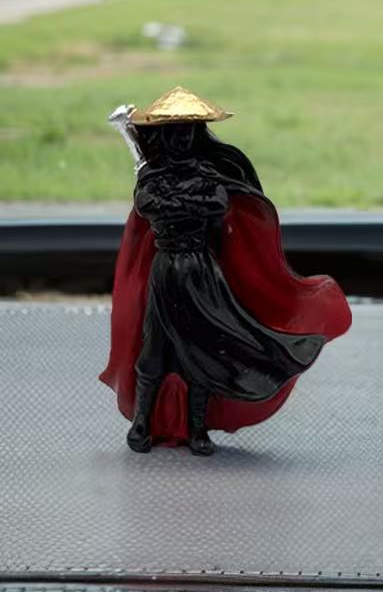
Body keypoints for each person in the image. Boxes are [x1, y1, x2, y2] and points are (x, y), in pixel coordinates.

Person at [100, 87, 351, 455]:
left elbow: (215, 204)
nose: (181, 139)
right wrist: (184, 198)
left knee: (203, 353)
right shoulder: (153, 175)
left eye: (188, 131)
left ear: (198, 135)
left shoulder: (209, 174)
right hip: (166, 271)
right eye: (174, 132)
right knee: (154, 351)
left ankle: (197, 428)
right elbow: (149, 205)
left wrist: (180, 198)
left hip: (202, 272)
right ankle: (142, 424)